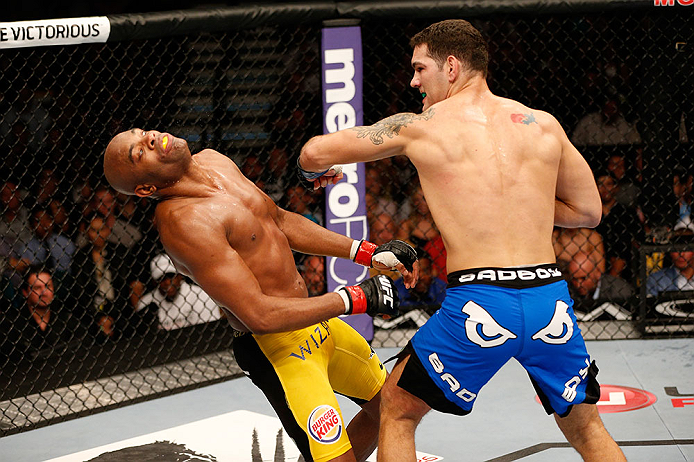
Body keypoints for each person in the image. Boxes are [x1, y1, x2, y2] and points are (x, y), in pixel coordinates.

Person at [298, 19, 625, 461]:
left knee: (396, 409)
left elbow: (313, 152)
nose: (413, 81)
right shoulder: (543, 125)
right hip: (549, 298)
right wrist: (516, 204)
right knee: (587, 427)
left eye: (419, 68)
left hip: (482, 303)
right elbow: (589, 211)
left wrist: (315, 173)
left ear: (451, 66)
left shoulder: (421, 126)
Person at [103, 128, 418, 462]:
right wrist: (353, 299)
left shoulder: (214, 160)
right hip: (277, 350)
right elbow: (258, 314)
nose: (150, 139)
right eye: (139, 152)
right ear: (146, 189)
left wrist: (367, 253)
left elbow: (279, 221)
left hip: (317, 323)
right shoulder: (183, 223)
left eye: (142, 134)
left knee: (393, 408)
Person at [0, 266, 85, 363]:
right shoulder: (11, 325)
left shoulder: (66, 317)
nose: (44, 292)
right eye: (37, 288)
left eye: (48, 286)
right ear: (25, 292)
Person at [136, 253, 222, 331]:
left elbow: (209, 332)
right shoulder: (145, 303)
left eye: (170, 276)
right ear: (154, 283)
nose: (167, 282)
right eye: (161, 278)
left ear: (180, 276)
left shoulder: (201, 296)